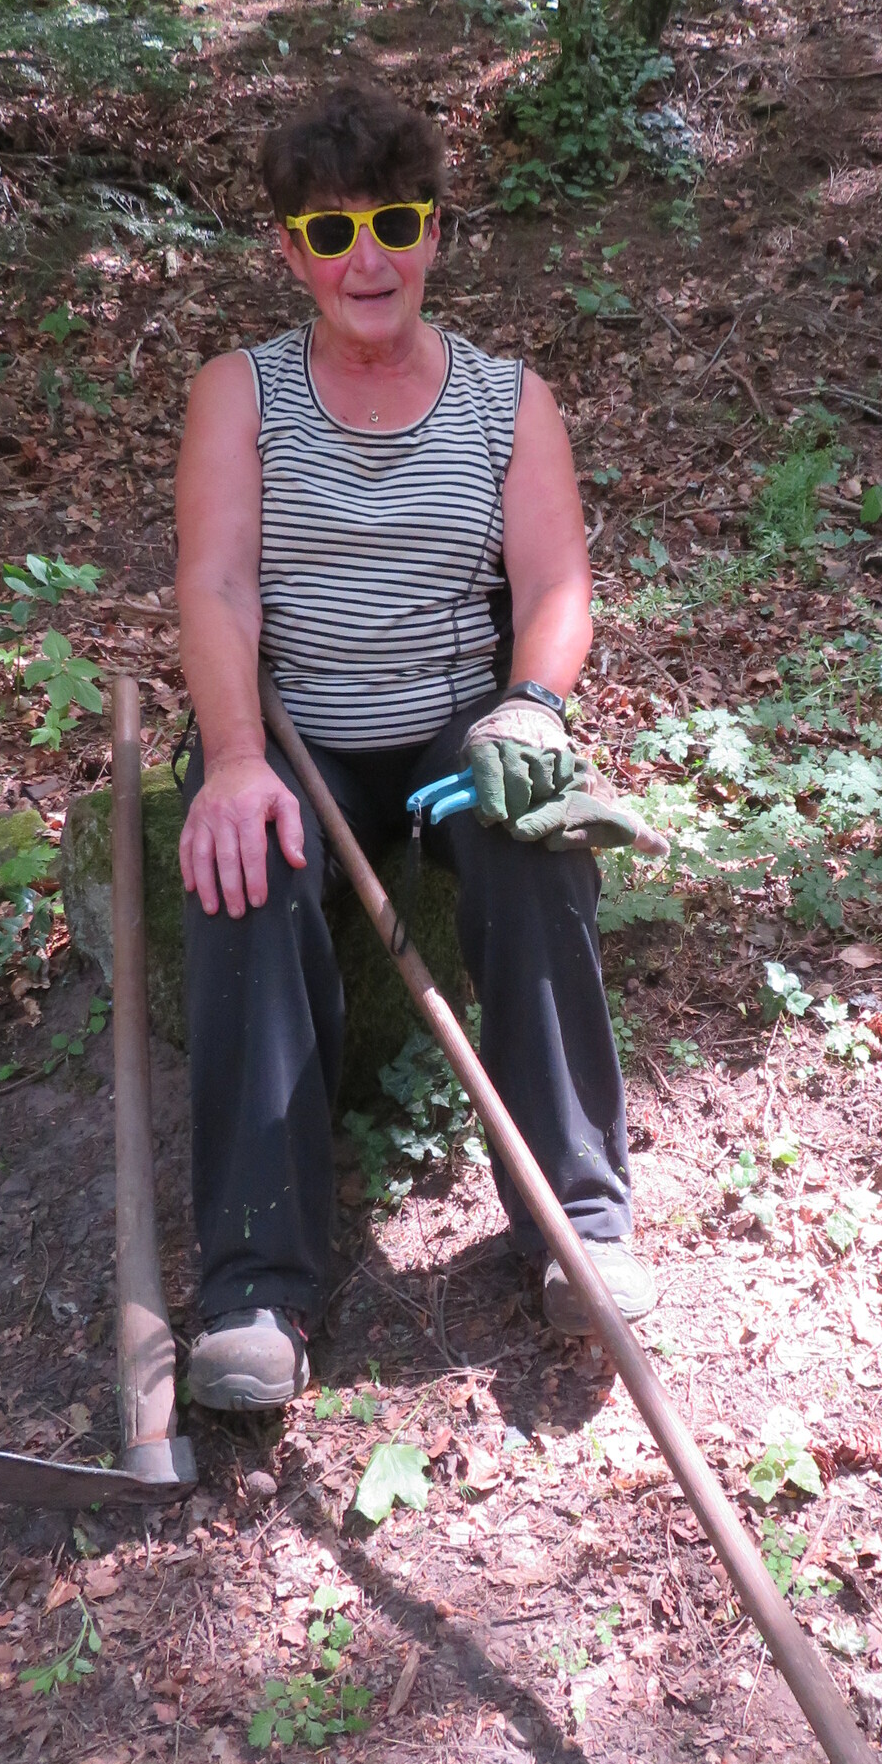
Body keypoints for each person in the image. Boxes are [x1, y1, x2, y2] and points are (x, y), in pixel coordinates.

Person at [172, 86, 658, 1411]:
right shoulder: (239, 393)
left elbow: (556, 584)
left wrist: (531, 707)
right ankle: (256, 1287)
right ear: (292, 252)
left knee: (533, 845)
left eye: (393, 223)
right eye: (332, 233)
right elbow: (216, 585)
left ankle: (579, 1225)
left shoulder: (508, 399)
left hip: (454, 723)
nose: (368, 259)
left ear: (435, 230)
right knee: (243, 872)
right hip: (298, 731)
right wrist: (233, 760)